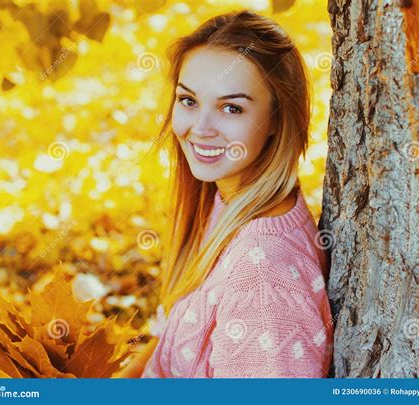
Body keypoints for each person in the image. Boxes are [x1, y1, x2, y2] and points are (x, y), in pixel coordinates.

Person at [118, 9, 333, 378]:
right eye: (188, 100)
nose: (200, 128)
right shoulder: (228, 202)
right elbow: (169, 336)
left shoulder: (264, 275)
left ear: (277, 121)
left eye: (231, 108)